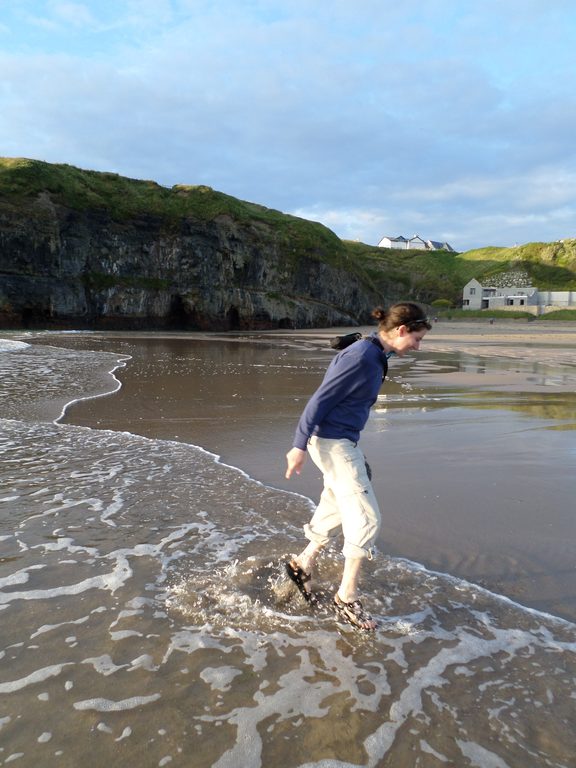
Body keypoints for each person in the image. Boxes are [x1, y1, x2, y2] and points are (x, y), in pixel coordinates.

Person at [284, 302, 431, 630]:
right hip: (332, 443)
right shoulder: (362, 357)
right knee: (366, 519)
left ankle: (302, 563)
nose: (418, 347)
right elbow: (318, 401)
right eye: (417, 339)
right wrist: (297, 447)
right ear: (401, 330)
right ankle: (346, 599)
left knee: (338, 500)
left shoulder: (373, 351)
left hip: (341, 442)